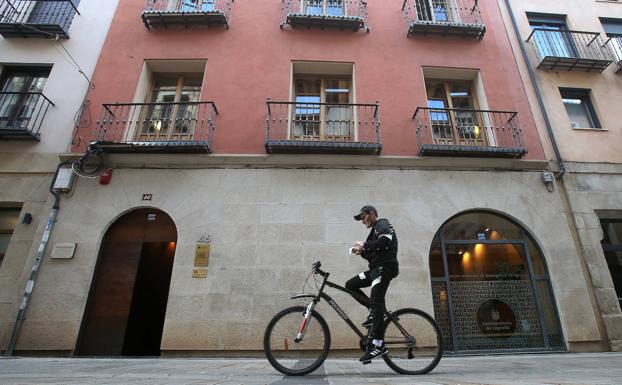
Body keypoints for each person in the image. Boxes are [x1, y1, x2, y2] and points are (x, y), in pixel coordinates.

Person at [346, 205, 399, 362]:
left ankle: (378, 345)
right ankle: (373, 309)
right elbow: (372, 253)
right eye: (361, 219)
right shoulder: (372, 233)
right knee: (351, 285)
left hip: (385, 268)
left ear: (372, 214)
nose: (363, 221)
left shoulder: (382, 223)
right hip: (375, 269)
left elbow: (385, 241)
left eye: (363, 217)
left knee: (377, 302)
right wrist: (361, 251)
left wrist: (365, 245)